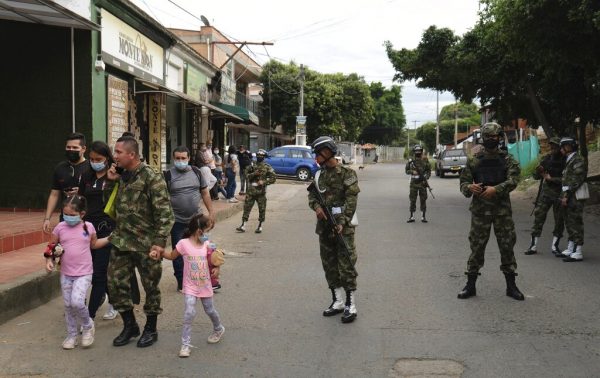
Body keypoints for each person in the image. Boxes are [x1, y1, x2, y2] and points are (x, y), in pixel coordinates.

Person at [106, 136, 175, 348]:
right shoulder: (122, 176)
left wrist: (159, 242)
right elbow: (112, 207)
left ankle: (151, 328)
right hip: (122, 240)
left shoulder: (151, 177)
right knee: (115, 284)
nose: (114, 156)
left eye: (118, 152)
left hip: (146, 244)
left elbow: (165, 214)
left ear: (132, 155)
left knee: (150, 286)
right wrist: (111, 182)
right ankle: (130, 325)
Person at [457, 122, 524, 301]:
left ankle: (511, 286)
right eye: (488, 137)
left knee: (507, 247)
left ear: (500, 138)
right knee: (476, 248)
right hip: (480, 212)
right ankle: (470, 286)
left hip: (502, 211)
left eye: (494, 137)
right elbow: (463, 183)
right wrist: (470, 187)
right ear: (483, 138)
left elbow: (514, 180)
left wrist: (497, 189)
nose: (491, 140)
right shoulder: (474, 160)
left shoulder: (508, 160)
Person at [149, 214, 224, 358]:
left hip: (205, 285)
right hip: (190, 285)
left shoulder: (208, 244)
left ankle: (218, 328)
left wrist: (217, 269)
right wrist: (159, 251)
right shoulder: (183, 244)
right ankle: (185, 344)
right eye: (207, 230)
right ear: (199, 231)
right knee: (189, 312)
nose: (208, 233)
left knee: (210, 310)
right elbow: (171, 255)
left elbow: (215, 260)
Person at [44, 195, 110, 349]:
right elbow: (51, 246)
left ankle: (87, 326)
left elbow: (94, 244)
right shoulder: (60, 227)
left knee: (77, 302)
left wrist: (108, 239)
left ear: (82, 214)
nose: (68, 218)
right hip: (66, 273)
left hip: (84, 273)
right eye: (66, 214)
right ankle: (71, 335)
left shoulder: (89, 227)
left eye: (72, 215)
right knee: (68, 305)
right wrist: (48, 261)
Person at [308, 136, 360, 323]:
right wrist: (317, 208)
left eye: (317, 153)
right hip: (324, 228)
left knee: (346, 265)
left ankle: (350, 304)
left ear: (327, 152)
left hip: (343, 228)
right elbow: (312, 197)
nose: (315, 157)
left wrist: (342, 222)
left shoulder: (347, 173)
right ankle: (337, 301)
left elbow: (351, 201)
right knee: (329, 265)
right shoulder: (318, 174)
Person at [78, 141, 120, 321]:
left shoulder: (115, 176)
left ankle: (89, 316)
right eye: (92, 159)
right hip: (87, 228)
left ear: (107, 158)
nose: (95, 162)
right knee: (94, 270)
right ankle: (114, 301)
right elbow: (80, 199)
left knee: (99, 273)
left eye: (99, 159)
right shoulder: (86, 176)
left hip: (106, 228)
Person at [165, 146, 215, 292]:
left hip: (197, 221)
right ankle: (181, 282)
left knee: (204, 249)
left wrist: (211, 212)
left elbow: (205, 193)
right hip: (177, 222)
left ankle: (206, 278)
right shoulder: (167, 175)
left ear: (189, 158)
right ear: (173, 159)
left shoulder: (196, 172)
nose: (180, 161)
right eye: (177, 158)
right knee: (178, 253)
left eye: (183, 158)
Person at [525, 137, 566, 255]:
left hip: (560, 194)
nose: (552, 148)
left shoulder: (566, 160)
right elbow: (536, 176)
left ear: (560, 147)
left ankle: (555, 246)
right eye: (551, 146)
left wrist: (551, 179)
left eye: (555, 146)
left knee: (559, 221)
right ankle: (533, 246)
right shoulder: (546, 158)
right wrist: (538, 171)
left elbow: (568, 179)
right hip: (546, 194)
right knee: (538, 218)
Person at [43, 132, 91, 232]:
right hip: (66, 219)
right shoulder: (60, 168)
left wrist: (82, 191)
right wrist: (47, 218)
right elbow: (54, 194)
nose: (71, 150)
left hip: (88, 220)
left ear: (83, 149)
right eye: (68, 147)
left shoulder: (90, 167)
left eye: (75, 147)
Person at [558, 137, 587, 262]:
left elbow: (576, 180)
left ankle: (578, 250)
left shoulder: (578, 160)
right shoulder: (569, 159)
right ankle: (571, 247)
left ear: (569, 146)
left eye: (563, 146)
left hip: (574, 196)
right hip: (567, 194)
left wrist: (566, 195)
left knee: (575, 222)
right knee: (568, 221)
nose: (561, 149)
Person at [236, 149, 277, 233]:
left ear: (264, 157)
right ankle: (243, 225)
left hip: (261, 192)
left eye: (261, 156)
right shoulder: (252, 166)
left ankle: (260, 226)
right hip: (251, 191)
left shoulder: (267, 167)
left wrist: (264, 182)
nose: (259, 157)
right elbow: (246, 176)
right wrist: (254, 173)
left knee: (262, 209)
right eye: (258, 156)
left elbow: (274, 178)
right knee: (247, 208)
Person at [405, 145, 431, 223]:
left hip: (422, 183)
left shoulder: (425, 160)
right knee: (412, 200)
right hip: (414, 183)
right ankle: (411, 216)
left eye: (419, 151)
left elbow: (428, 171)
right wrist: (412, 171)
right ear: (414, 152)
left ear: (421, 151)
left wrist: (425, 177)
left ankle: (423, 217)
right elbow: (406, 170)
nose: (418, 152)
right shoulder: (411, 161)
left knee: (423, 199)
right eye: (416, 151)